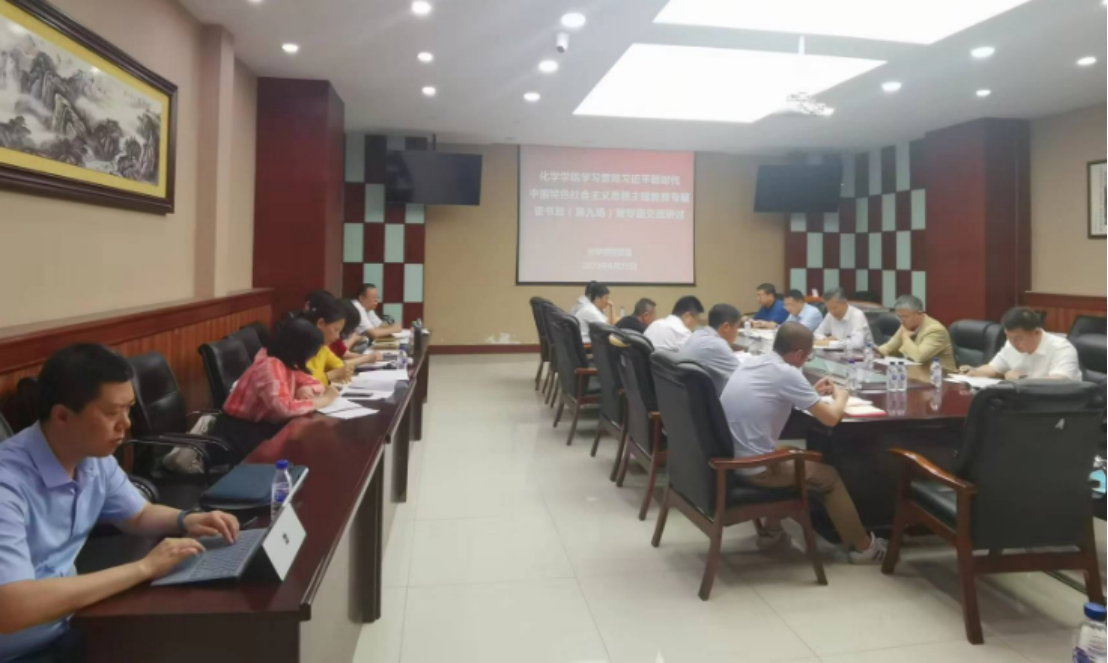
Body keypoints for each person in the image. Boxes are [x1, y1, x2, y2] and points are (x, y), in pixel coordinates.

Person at [0, 345, 240, 661]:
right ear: (62, 416)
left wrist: (186, 519)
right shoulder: (8, 483)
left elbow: (138, 515)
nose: (126, 424)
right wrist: (144, 568)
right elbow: (12, 607)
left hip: (73, 622)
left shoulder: (92, 456)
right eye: (113, 412)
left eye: (129, 409)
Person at [720, 323, 888, 563]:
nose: (805, 362)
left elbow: (775, 396)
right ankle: (863, 548)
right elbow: (831, 418)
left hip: (732, 456)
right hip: (755, 468)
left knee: (791, 451)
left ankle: (771, 532)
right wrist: (841, 397)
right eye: (807, 357)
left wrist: (809, 392)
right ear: (799, 354)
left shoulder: (754, 362)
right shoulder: (787, 373)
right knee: (829, 476)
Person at [223, 318, 341, 426]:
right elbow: (284, 409)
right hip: (240, 429)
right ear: (300, 349)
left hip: (264, 425)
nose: (312, 357)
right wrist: (323, 400)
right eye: (311, 352)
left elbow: (315, 382)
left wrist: (306, 388)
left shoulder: (289, 361)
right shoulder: (269, 366)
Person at [961, 307, 1082, 381]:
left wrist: (1022, 380)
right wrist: (974, 371)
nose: (1013, 343)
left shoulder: (1061, 348)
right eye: (1009, 337)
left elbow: (1060, 382)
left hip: (1059, 407)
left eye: (1018, 338)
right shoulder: (1011, 345)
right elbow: (994, 368)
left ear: (1036, 332)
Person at [878, 295, 956, 372]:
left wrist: (905, 338)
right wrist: (876, 352)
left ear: (919, 314)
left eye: (905, 317)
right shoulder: (906, 325)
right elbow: (888, 348)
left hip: (941, 376)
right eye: (899, 317)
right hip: (914, 373)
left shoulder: (935, 330)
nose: (901, 321)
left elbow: (918, 357)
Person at [677, 304, 742, 394]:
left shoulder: (697, 334)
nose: (737, 332)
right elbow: (742, 377)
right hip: (703, 399)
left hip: (686, 395)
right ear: (726, 327)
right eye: (737, 327)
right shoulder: (717, 344)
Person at [303, 298, 354, 387]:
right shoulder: (301, 347)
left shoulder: (323, 348)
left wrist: (344, 371)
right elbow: (303, 381)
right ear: (321, 323)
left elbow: (339, 365)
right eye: (336, 330)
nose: (337, 337)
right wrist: (331, 375)